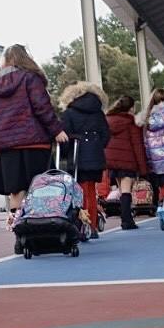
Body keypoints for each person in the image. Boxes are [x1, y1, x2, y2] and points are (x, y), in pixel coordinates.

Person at [0, 44, 68, 226]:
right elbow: (42, 107)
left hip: (6, 147)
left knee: (16, 191)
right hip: (34, 142)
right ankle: (43, 227)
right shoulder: (31, 78)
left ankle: (19, 231)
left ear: (5, 61)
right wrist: (56, 130)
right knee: (41, 187)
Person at [58, 82, 110, 239]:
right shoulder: (98, 113)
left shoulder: (69, 113)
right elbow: (106, 135)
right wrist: (97, 146)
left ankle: (81, 226)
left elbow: (65, 137)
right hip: (95, 155)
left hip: (78, 155)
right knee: (91, 191)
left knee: (79, 191)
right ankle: (92, 226)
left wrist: (64, 157)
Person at [103, 95, 148, 231]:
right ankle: (127, 220)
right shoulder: (131, 122)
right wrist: (143, 168)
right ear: (131, 108)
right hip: (127, 160)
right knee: (126, 191)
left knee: (122, 190)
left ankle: (125, 218)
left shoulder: (108, 120)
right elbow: (137, 145)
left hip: (111, 160)